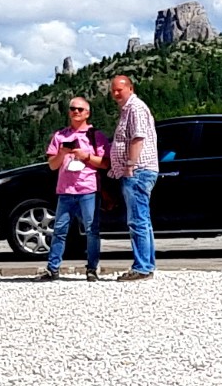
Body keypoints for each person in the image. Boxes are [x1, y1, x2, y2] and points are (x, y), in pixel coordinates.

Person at [41, 95, 106, 280]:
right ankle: (52, 268)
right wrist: (62, 153)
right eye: (72, 109)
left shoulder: (96, 136)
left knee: (91, 230)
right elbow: (52, 165)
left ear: (87, 113)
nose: (75, 112)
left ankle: (92, 268)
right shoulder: (60, 136)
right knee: (59, 230)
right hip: (65, 191)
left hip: (88, 189)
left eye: (79, 109)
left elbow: (105, 163)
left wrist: (85, 156)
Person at [108, 73, 160, 283]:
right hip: (138, 170)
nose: (115, 93)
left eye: (119, 89)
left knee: (137, 220)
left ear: (130, 88)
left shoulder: (135, 108)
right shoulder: (128, 109)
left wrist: (129, 165)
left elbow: (138, 137)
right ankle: (147, 265)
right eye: (113, 90)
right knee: (143, 220)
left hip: (137, 170)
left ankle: (142, 267)